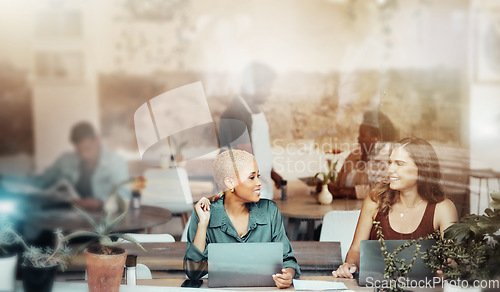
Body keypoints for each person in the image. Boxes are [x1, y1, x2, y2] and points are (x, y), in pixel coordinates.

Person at [332, 137, 458, 279]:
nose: (390, 169)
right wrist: (350, 265)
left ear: (423, 169)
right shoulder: (375, 201)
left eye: (399, 164)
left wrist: (445, 271)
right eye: (390, 162)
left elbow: (452, 261)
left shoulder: (443, 208)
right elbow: (355, 251)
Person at [183, 149, 300, 288]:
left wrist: (288, 275)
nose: (259, 182)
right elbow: (193, 272)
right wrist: (203, 224)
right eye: (252, 177)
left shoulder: (270, 211)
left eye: (258, 176)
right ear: (230, 183)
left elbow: (288, 261)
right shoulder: (204, 213)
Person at [3, 122, 130, 211]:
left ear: (97, 140)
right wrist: (8, 180)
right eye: (79, 151)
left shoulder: (116, 162)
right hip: (71, 219)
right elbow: (41, 181)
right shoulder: (66, 160)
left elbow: (124, 196)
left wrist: (100, 203)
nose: (84, 155)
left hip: (104, 223)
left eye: (88, 149)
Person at [218, 62, 283, 200]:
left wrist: (271, 172)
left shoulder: (254, 109)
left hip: (260, 187)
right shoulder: (236, 113)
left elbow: (260, 147)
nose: (269, 92)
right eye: (267, 87)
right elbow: (245, 159)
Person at [321, 110, 399, 199]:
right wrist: (325, 187)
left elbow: (380, 190)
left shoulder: (388, 159)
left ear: (377, 138)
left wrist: (341, 192)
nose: (358, 138)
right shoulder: (354, 155)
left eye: (362, 135)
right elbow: (337, 182)